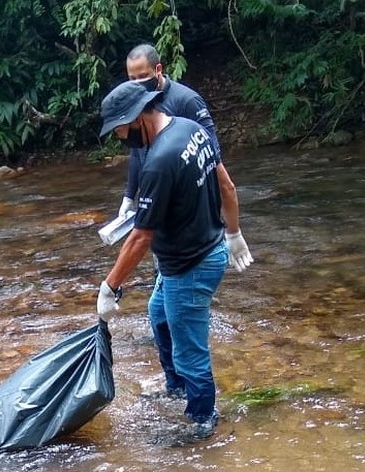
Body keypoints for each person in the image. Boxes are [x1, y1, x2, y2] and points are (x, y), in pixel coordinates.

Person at [95, 81, 240, 440]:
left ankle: (203, 422)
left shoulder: (159, 161)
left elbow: (142, 237)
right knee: (159, 314)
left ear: (135, 117)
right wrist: (233, 233)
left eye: (120, 130)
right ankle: (176, 388)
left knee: (190, 350)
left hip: (191, 266)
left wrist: (110, 286)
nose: (120, 138)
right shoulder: (189, 128)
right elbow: (226, 185)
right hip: (207, 249)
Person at [117, 43, 252, 275]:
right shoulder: (136, 108)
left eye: (144, 77)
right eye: (132, 79)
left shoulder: (186, 102)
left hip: (189, 217)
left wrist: (233, 231)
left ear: (158, 70)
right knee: (163, 286)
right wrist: (129, 197)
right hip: (161, 213)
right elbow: (138, 154)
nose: (138, 84)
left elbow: (212, 160)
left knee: (186, 280)